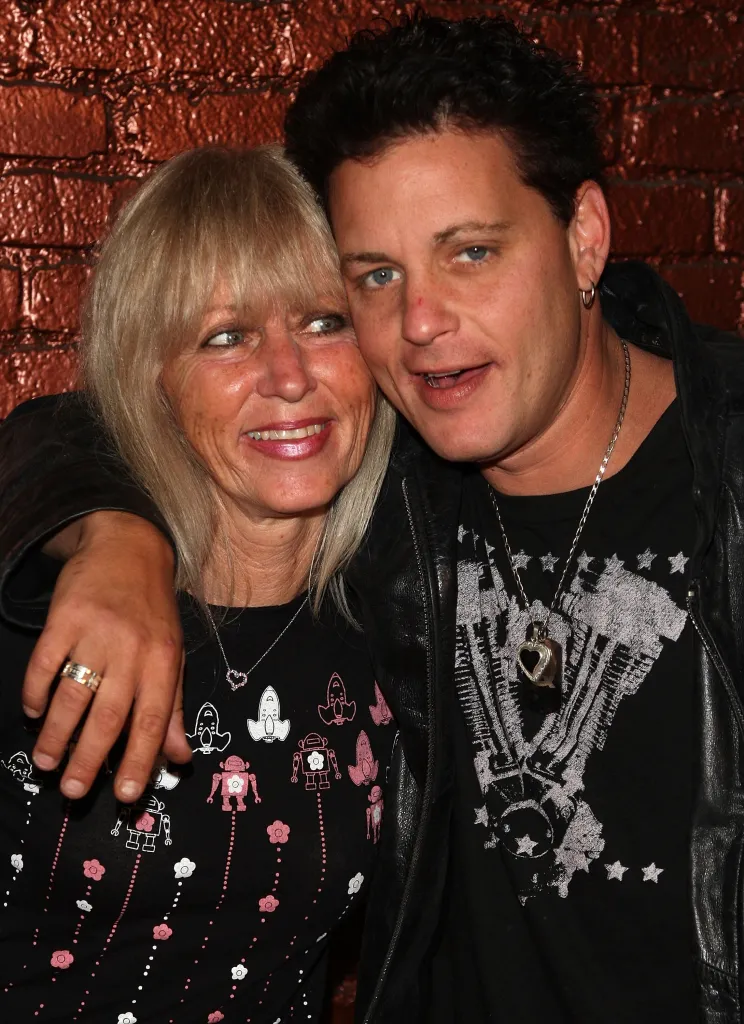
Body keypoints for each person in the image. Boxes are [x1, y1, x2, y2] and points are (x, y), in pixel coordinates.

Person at [0, 10, 741, 1023]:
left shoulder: (723, 478)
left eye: (470, 252)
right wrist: (114, 537)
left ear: (584, 238)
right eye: (376, 278)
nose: (421, 323)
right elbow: (83, 423)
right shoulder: (400, 487)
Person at [0, 145, 398, 1022]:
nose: (290, 376)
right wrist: (112, 536)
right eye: (226, 337)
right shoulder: (48, 604)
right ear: (153, 380)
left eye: (325, 322)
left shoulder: (400, 607)